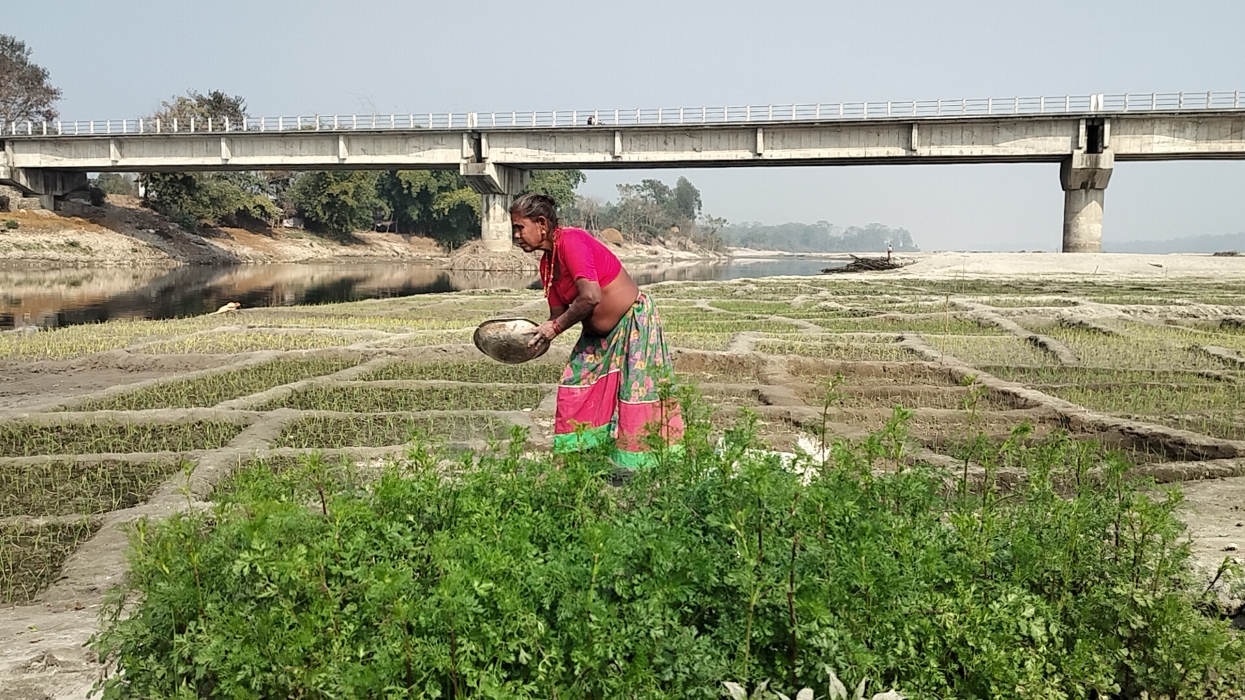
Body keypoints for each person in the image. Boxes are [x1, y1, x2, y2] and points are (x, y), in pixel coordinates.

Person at [511, 193, 683, 468]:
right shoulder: (547, 265)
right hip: (598, 336)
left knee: (637, 394)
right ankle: (580, 458)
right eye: (515, 228)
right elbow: (558, 315)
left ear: (542, 223)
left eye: (519, 227)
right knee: (575, 383)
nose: (516, 235)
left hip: (632, 323)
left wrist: (554, 329)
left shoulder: (572, 241)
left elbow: (590, 296)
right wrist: (533, 340)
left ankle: (646, 464)